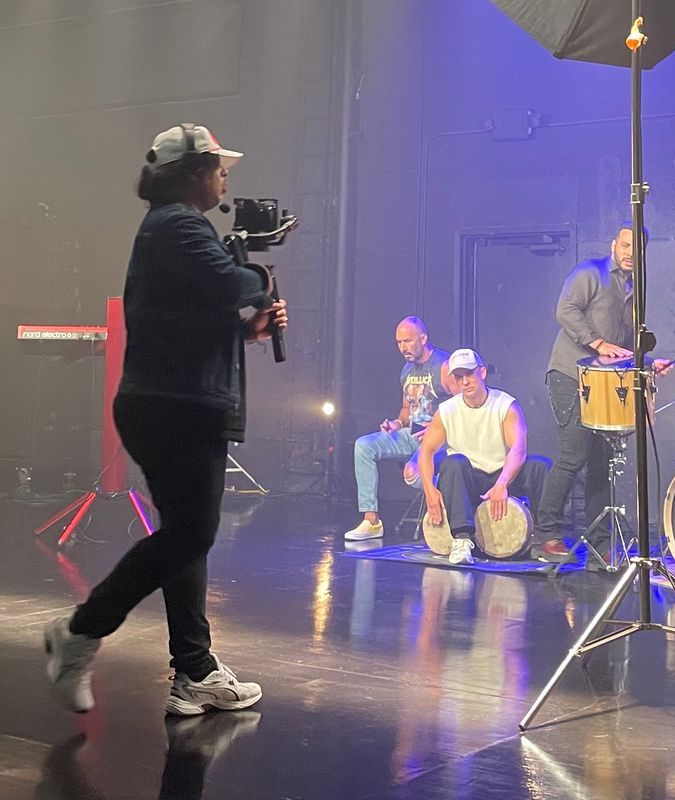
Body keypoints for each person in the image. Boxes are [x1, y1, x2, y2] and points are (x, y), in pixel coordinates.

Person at [42, 126, 285, 717]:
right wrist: (258, 271)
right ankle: (79, 632)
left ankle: (195, 670)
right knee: (191, 534)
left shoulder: (175, 228)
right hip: (172, 406)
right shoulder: (177, 224)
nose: (227, 176)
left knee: (185, 537)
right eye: (218, 167)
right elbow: (231, 282)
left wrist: (240, 328)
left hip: (173, 401)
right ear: (192, 173)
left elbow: (185, 315)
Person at [531, 227, 670, 563]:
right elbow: (565, 310)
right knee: (573, 454)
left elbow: (623, 346)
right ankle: (545, 534)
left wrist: (648, 364)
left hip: (603, 382)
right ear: (613, 245)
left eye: (636, 248)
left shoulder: (635, 288)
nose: (629, 252)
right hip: (569, 375)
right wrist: (596, 342)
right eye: (624, 245)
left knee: (601, 463)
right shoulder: (589, 272)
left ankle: (599, 542)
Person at [417, 349, 549, 566]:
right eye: (459, 377)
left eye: (469, 374)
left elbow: (518, 449)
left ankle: (541, 539)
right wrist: (429, 490)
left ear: (483, 372)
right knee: (453, 463)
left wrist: (502, 483)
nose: (465, 382)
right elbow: (426, 452)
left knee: (540, 466)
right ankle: (462, 540)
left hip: (503, 476)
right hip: (468, 482)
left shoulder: (505, 405)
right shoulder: (447, 411)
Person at [343, 316, 455, 542]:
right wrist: (396, 423)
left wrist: (439, 430)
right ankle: (371, 521)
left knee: (412, 474)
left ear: (423, 339)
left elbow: (463, 408)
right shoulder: (406, 370)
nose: (403, 347)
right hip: (411, 435)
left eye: (407, 341)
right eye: (399, 343)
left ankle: (453, 498)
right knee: (364, 446)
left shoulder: (443, 366)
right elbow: (406, 409)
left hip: (439, 439)